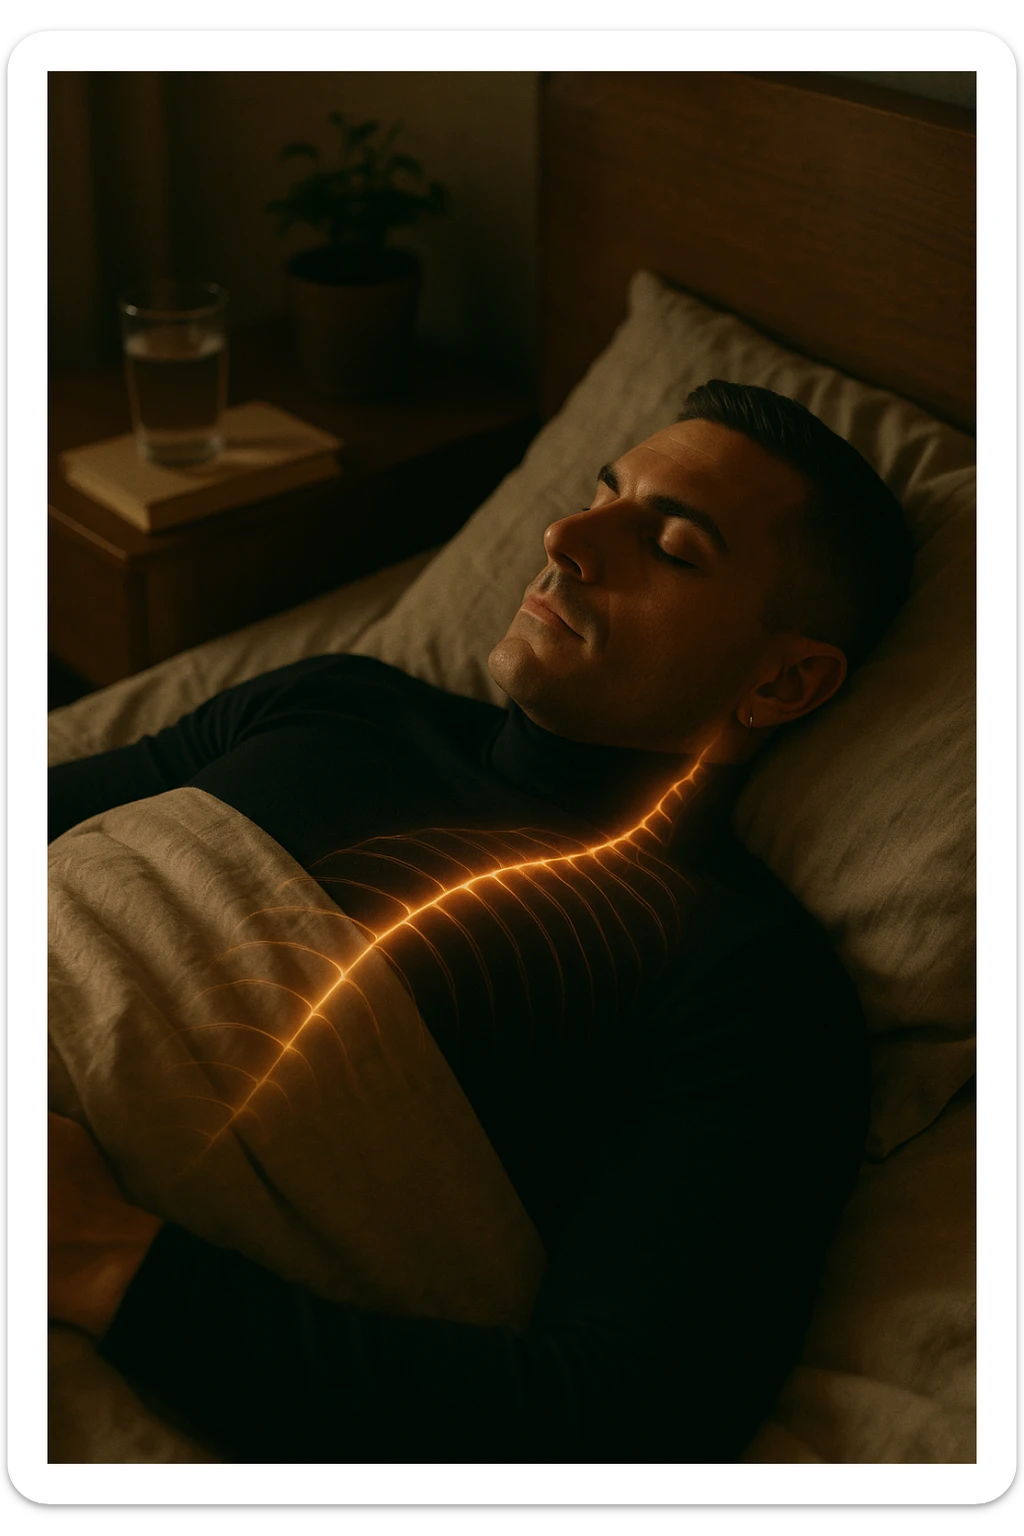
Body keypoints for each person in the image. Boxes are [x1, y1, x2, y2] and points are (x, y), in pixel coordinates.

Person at [47, 380, 913, 1464]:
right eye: (601, 497)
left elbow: (622, 1416)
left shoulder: (742, 980)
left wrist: (96, 1254)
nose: (566, 536)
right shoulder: (332, 702)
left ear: (783, 680)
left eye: (674, 547)